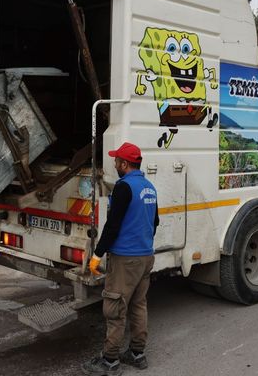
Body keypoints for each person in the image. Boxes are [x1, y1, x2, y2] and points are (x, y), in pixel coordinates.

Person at [83, 142, 159, 375]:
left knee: (115, 308)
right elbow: (154, 223)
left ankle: (110, 361)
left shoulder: (124, 188)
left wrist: (97, 254)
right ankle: (137, 354)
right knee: (138, 305)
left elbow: (113, 225)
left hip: (126, 259)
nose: (114, 163)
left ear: (125, 164)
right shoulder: (149, 187)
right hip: (146, 256)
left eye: (116, 161)